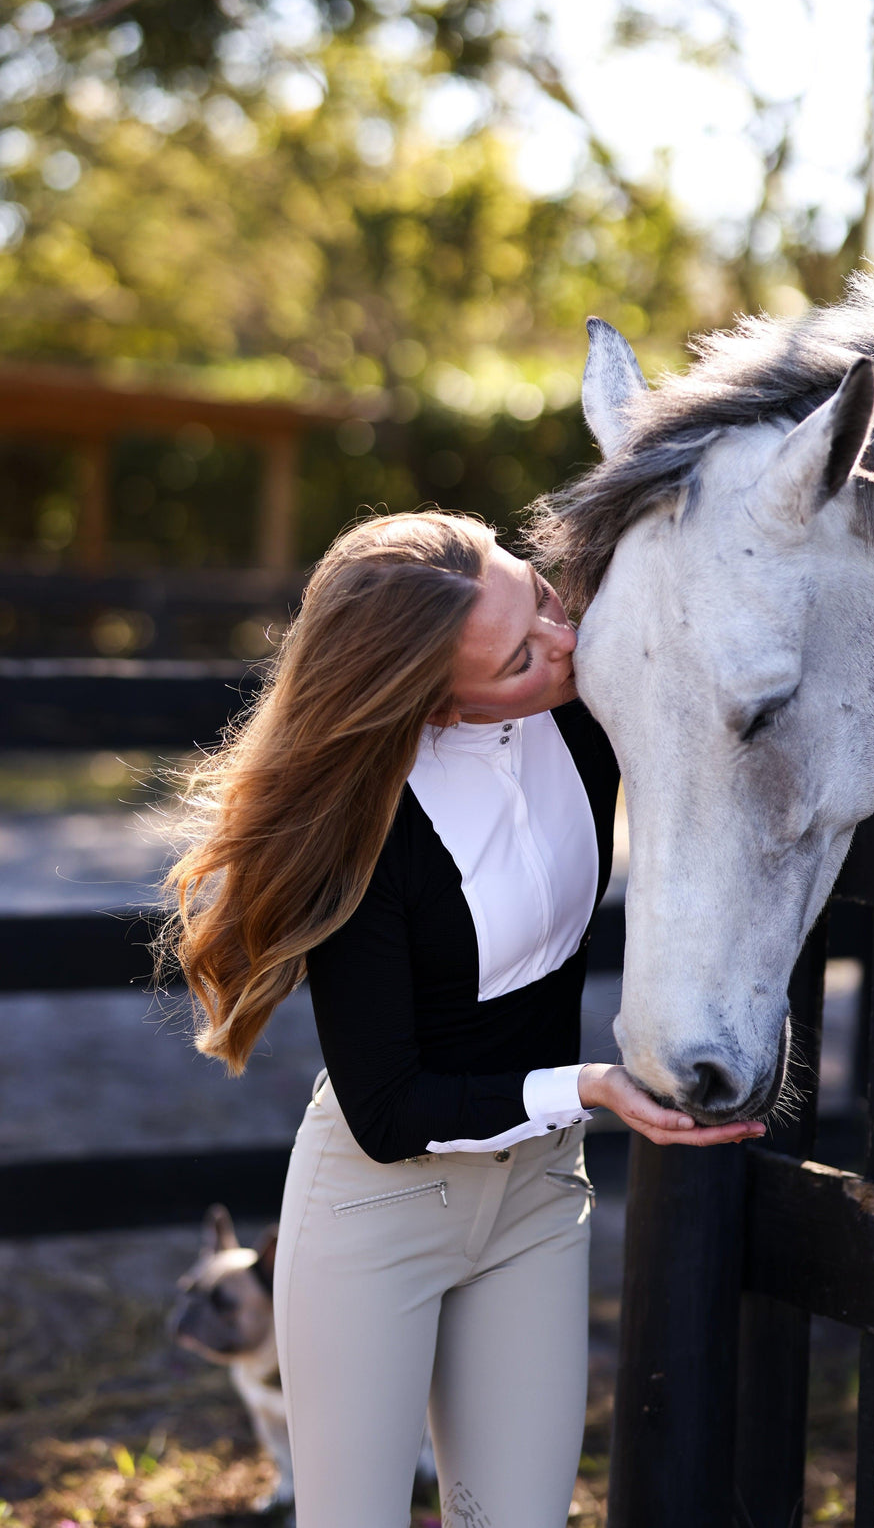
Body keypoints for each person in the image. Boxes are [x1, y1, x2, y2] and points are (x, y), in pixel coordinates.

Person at [163, 511, 766, 1528]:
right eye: (520, 655)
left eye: (535, 593)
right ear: (435, 703)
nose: (562, 640)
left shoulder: (582, 706)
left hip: (534, 1194)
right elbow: (388, 1110)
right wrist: (584, 1085)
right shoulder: (367, 832)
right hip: (377, 1208)